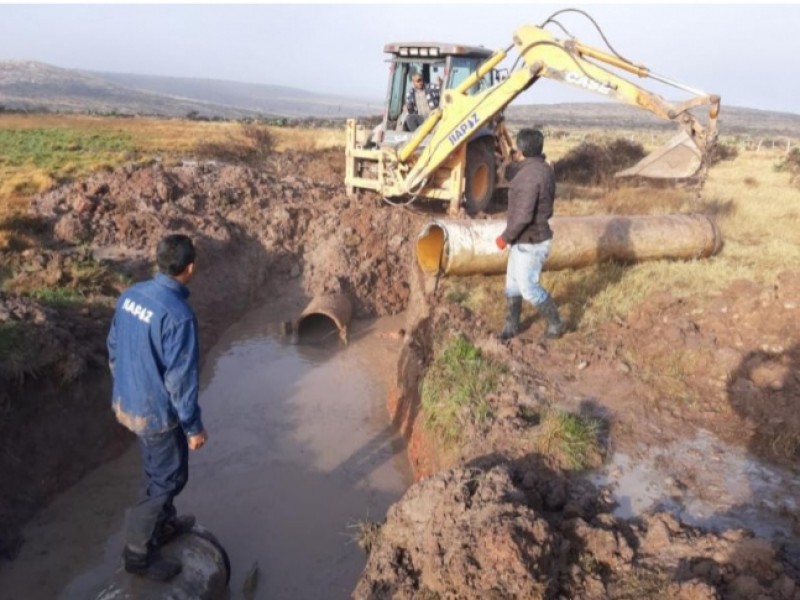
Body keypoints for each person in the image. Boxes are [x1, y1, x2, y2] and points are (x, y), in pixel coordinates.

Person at [107, 233, 208, 581]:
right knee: (167, 479)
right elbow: (181, 382)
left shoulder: (131, 295)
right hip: (156, 414)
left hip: (129, 402)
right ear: (190, 268)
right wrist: (193, 428)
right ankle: (138, 555)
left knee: (160, 470)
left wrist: (126, 387)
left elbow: (114, 347)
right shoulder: (178, 316)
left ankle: (163, 527)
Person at [495, 128, 564, 340]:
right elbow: (513, 171)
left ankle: (556, 324)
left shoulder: (529, 177)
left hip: (531, 240)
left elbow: (523, 215)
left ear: (522, 149)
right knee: (512, 285)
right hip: (525, 239)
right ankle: (511, 326)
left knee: (528, 287)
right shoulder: (541, 169)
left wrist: (504, 237)